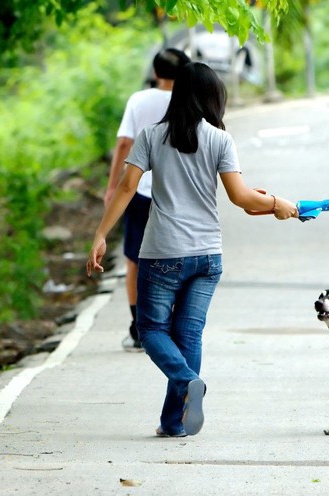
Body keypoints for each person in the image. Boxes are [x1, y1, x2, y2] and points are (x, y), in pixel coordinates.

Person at [87, 62, 298, 437]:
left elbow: (125, 188)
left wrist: (101, 233)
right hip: (207, 255)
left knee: (151, 329)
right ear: (213, 97)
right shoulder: (220, 139)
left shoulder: (151, 136)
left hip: (163, 251)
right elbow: (241, 197)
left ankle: (185, 382)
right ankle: (174, 423)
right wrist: (278, 203)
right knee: (189, 336)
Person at [105, 47, 191, 352]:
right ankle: (172, 326)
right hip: (179, 192)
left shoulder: (139, 100)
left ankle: (138, 327)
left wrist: (112, 186)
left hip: (140, 189)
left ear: (155, 73)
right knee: (176, 258)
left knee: (135, 259)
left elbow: (124, 143)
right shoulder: (189, 102)